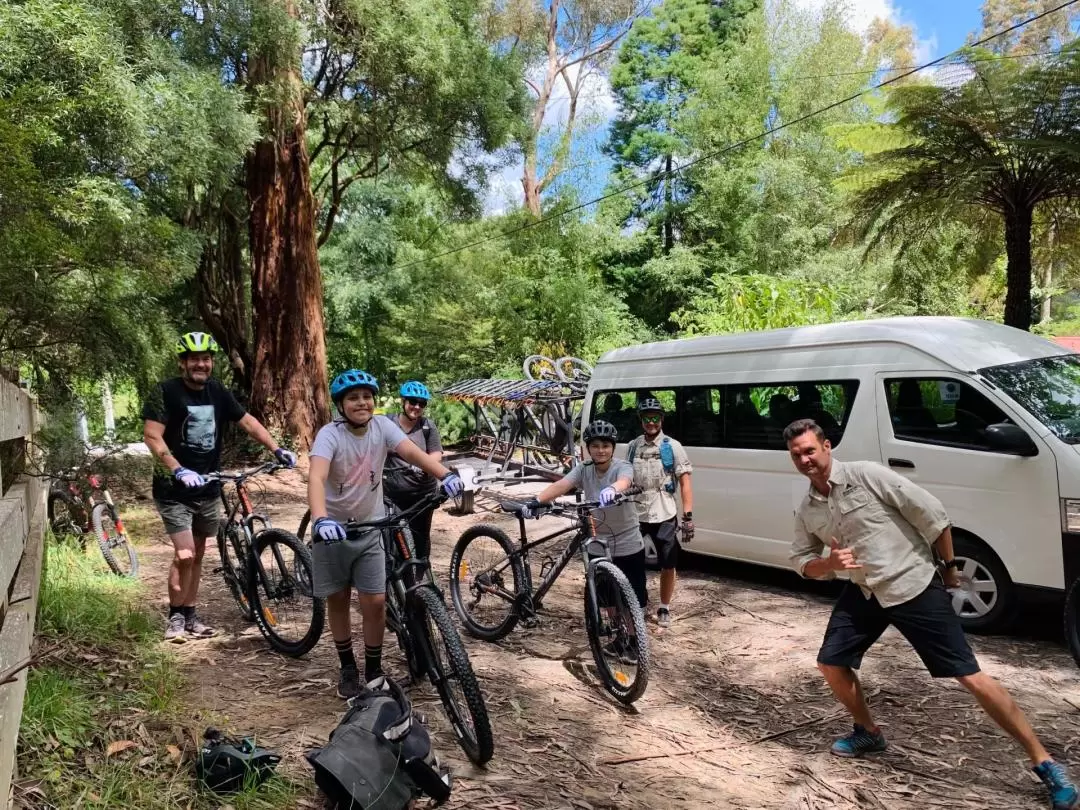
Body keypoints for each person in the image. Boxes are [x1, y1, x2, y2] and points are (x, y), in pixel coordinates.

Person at [784, 418, 1079, 809]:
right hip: (865, 591)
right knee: (831, 663)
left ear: (827, 446)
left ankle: (1045, 762)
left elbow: (934, 514)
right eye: (796, 454)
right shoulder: (806, 507)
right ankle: (868, 732)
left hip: (912, 584)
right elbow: (801, 559)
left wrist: (951, 569)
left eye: (809, 450)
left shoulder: (868, 476)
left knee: (970, 676)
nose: (805, 459)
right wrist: (826, 564)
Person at [308, 369, 463, 700]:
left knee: (375, 603)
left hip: (371, 527)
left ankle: (375, 669)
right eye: (353, 398)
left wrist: (445, 475)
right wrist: (320, 519)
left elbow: (412, 453)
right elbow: (316, 478)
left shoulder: (382, 426)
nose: (361, 403)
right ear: (340, 405)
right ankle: (348, 666)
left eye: (366, 396)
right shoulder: (329, 435)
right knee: (338, 599)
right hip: (334, 530)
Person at [142, 332, 297, 643]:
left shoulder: (217, 391)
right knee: (184, 554)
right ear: (182, 362)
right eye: (195, 358)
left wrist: (276, 449)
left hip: (208, 486)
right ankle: (175, 615)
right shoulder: (166, 392)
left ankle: (190, 613)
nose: (202, 364)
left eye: (206, 358)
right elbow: (152, 436)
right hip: (173, 490)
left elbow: (248, 422)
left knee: (198, 553)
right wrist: (178, 468)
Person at [521, 420, 646, 610]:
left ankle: (632, 636)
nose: (600, 450)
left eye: (605, 445)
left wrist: (612, 489)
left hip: (627, 541)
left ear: (613, 447)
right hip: (598, 541)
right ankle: (616, 635)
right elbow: (563, 485)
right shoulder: (584, 468)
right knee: (606, 599)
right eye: (595, 446)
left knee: (634, 601)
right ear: (588, 448)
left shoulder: (623, 465)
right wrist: (538, 500)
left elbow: (625, 481)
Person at [626, 398, 693, 628]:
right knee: (634, 561)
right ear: (641, 421)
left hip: (664, 511)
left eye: (655, 418)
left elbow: (685, 481)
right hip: (638, 511)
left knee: (668, 562)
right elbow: (627, 478)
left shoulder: (672, 446)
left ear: (661, 420)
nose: (651, 423)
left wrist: (688, 516)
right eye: (647, 418)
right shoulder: (634, 446)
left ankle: (664, 606)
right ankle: (639, 603)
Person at [383, 381, 443, 560]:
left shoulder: (427, 426)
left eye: (421, 403)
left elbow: (436, 453)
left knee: (421, 536)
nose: (416, 407)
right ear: (403, 401)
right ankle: (395, 575)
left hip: (422, 493)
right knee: (390, 535)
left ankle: (422, 574)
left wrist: (422, 464)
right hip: (392, 493)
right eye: (412, 401)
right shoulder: (387, 423)